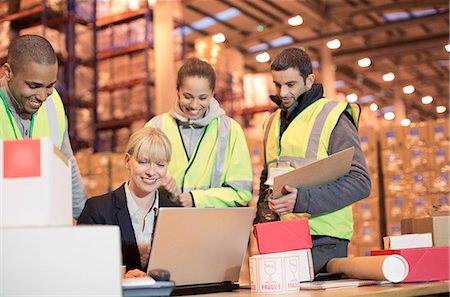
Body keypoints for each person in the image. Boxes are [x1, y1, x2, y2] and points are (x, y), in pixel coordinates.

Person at [254, 48, 371, 275]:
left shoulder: (333, 115)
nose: (283, 93)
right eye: (277, 85)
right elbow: (269, 175)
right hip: (282, 238)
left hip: (324, 241)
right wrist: (262, 219)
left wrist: (303, 199)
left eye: (291, 84)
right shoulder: (270, 123)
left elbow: (360, 182)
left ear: (309, 81)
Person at [146, 57, 253, 208]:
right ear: (177, 91)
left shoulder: (230, 130)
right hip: (166, 223)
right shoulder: (155, 127)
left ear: (212, 94)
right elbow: (137, 184)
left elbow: (242, 193)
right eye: (187, 97)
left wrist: (196, 199)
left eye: (203, 98)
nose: (194, 105)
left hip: (212, 225)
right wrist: (158, 188)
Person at [0, 35, 86, 218]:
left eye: (49, 86)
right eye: (33, 86)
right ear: (8, 72)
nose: (42, 96)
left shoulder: (54, 103)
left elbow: (67, 164)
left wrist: (86, 219)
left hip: (42, 226)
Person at [77, 127, 179, 278]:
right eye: (143, 162)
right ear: (127, 161)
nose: (151, 172)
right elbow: (80, 266)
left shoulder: (175, 214)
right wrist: (119, 278)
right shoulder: (97, 210)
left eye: (160, 164)